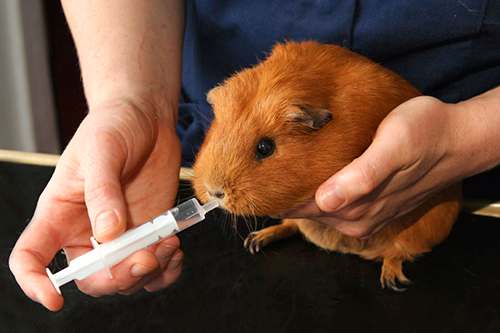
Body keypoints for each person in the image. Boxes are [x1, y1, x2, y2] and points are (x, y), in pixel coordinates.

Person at [9, 0, 500, 311]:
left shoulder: (317, 116)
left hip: (467, 174)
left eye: (264, 148)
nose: (216, 186)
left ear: (312, 122)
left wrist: (476, 133)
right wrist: (131, 98)